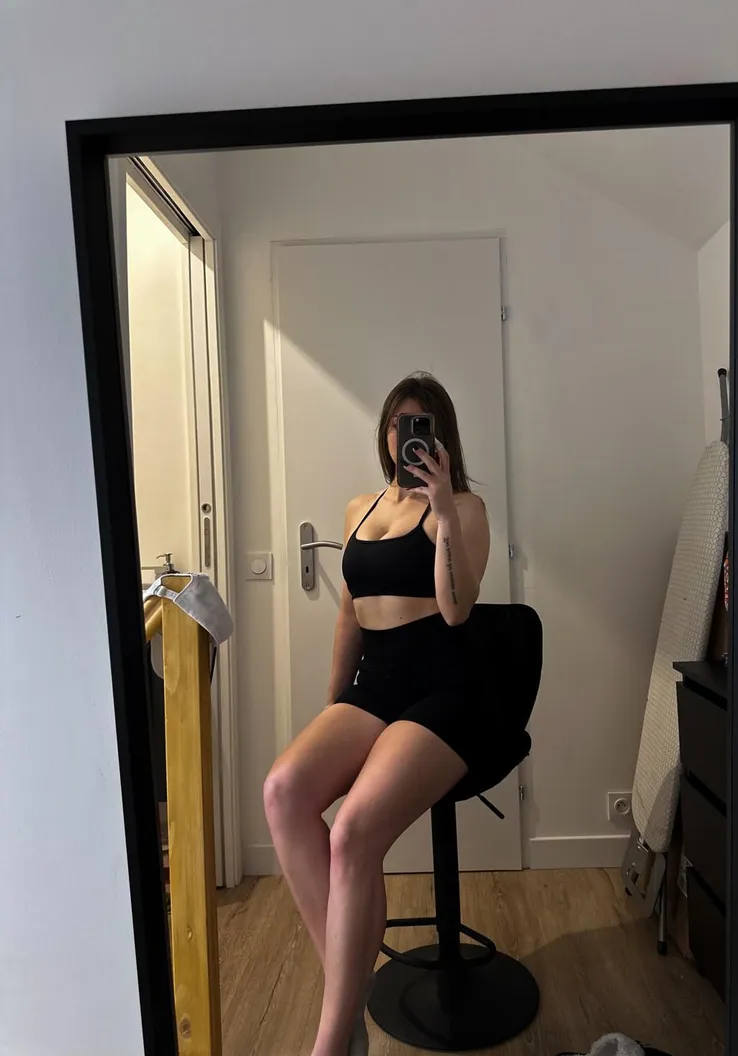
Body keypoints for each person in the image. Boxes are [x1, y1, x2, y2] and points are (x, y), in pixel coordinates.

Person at [263, 372, 491, 1056]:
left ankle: (332, 1039)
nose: (405, 435)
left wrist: (443, 509)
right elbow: (349, 613)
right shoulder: (358, 509)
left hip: (444, 688)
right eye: (397, 423)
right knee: (283, 791)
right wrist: (335, 708)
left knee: (353, 831)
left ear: (441, 436)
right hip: (378, 685)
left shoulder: (466, 508)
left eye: (420, 424)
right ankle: (351, 998)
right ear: (385, 434)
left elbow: (457, 609)